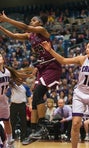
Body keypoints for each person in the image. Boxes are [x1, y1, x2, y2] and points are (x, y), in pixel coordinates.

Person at [0, 11, 62, 141]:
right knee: (35, 99)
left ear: (39, 22)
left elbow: (26, 27)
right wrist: (0, 27)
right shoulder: (30, 36)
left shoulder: (42, 30)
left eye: (34, 20)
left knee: (38, 93)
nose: (31, 22)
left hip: (52, 66)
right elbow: (14, 35)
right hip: (42, 67)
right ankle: (35, 129)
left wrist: (7, 20)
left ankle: (43, 123)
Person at [41, 31, 89, 148]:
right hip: (80, 94)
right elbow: (62, 60)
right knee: (76, 123)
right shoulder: (82, 59)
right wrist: (50, 50)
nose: (86, 49)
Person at [0, 52, 32, 148]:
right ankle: (2, 142)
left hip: (3, 100)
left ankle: (10, 141)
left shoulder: (8, 72)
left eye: (0, 55)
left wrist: (30, 73)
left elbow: (18, 75)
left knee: (7, 121)